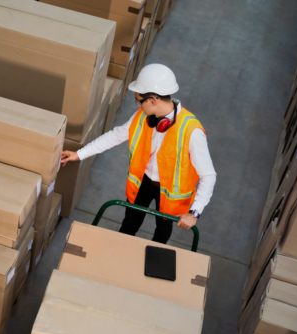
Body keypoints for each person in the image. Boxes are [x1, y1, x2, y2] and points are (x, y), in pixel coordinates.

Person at [61, 64, 216, 244]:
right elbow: (115, 136)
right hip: (143, 182)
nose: (138, 105)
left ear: (153, 100)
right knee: (129, 224)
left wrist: (194, 212)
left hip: (169, 195)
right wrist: (79, 154)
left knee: (162, 232)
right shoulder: (143, 118)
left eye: (139, 101)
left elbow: (208, 176)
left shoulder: (191, 131)